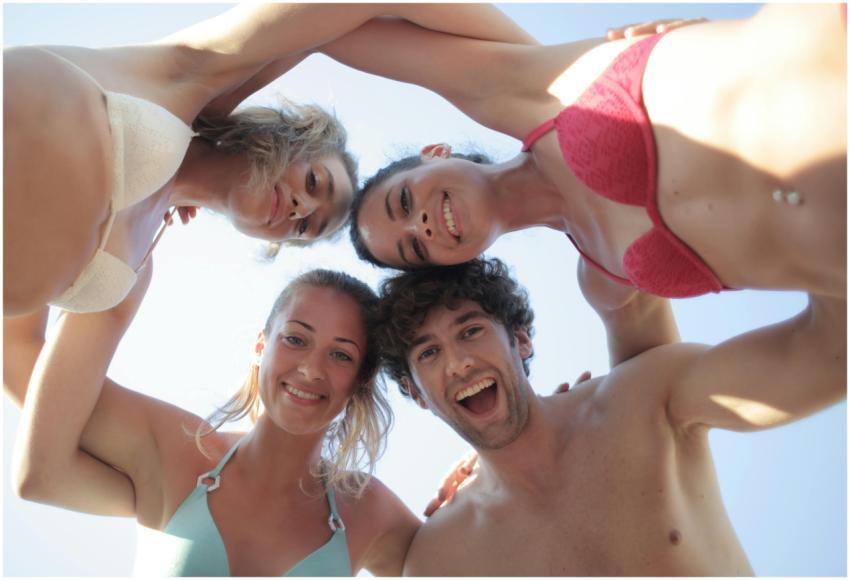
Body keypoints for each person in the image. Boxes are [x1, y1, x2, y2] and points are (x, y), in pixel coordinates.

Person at [3, 3, 537, 317]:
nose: (302, 206)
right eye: (314, 180)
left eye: (308, 225)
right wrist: (552, 91)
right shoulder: (194, 81)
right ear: (287, 138)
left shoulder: (138, 262)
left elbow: (21, 353)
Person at [322, 4, 846, 301]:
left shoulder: (520, 90)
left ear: (434, 152)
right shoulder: (606, 285)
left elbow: (335, 21)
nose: (423, 227)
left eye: (403, 203)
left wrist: (236, 104)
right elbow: (650, 400)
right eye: (416, 248)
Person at [375, 257, 845, 575]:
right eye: (430, 353)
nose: (458, 363)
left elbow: (828, 356)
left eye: (471, 331)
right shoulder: (441, 559)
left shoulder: (643, 398)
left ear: (520, 341)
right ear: (417, 394)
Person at [5, 265, 442, 576]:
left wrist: (483, 474)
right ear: (260, 346)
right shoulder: (178, 450)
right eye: (295, 339)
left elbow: (471, 559)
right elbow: (21, 358)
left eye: (341, 354)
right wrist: (112, 226)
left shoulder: (367, 510)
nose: (312, 369)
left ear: (361, 381)